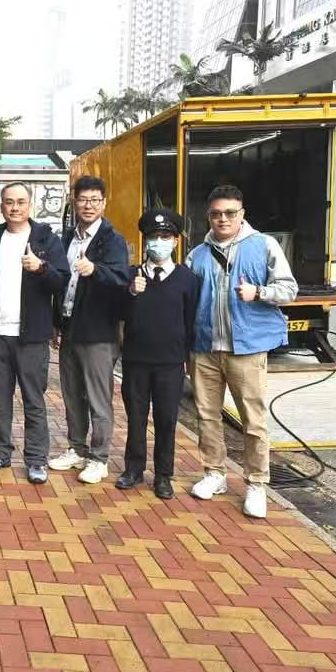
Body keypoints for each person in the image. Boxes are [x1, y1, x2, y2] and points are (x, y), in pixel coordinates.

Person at [186, 184, 298, 518]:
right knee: (207, 415)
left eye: (230, 213)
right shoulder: (197, 254)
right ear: (208, 216)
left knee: (253, 420)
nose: (223, 219)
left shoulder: (263, 245)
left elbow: (289, 289)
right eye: (216, 214)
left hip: (246, 349)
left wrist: (258, 292)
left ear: (242, 214)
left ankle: (257, 483)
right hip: (204, 347)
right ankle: (214, 473)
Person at [0, 182, 68, 484]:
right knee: (0, 400)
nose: (14, 207)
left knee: (34, 400)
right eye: (9, 202)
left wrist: (41, 268)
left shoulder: (46, 239)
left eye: (20, 202)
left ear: (30, 205)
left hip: (32, 336)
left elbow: (61, 281)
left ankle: (36, 459)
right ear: (1, 206)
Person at [48, 176, 130, 484]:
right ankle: (77, 448)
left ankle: (99, 457)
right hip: (69, 326)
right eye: (83, 199)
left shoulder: (112, 240)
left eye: (95, 200)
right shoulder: (68, 237)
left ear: (104, 203)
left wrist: (95, 270)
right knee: (72, 394)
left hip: (98, 331)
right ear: (74, 202)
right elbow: (60, 283)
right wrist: (56, 322)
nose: (88, 205)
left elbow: (121, 279)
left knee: (98, 397)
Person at [117, 208, 200, 500]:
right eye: (154, 236)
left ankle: (164, 475)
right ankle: (133, 469)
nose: (159, 242)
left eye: (165, 236)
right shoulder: (131, 276)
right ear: (145, 240)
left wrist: (187, 359)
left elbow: (191, 321)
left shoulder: (188, 279)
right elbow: (118, 314)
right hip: (136, 361)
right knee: (136, 418)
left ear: (176, 241)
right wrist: (131, 292)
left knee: (167, 420)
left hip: (170, 363)